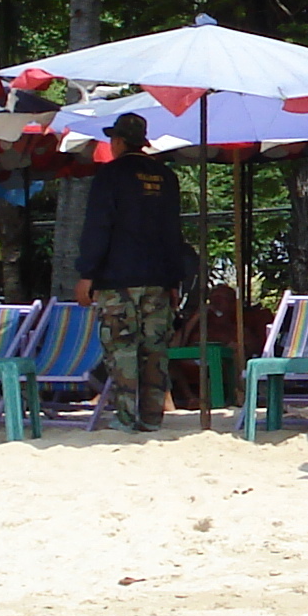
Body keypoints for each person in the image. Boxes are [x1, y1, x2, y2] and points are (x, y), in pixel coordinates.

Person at [73, 112, 193, 431]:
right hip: (158, 278)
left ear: (118, 141)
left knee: (122, 348)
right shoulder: (167, 178)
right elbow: (172, 231)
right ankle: (153, 417)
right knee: (154, 349)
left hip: (118, 279)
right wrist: (173, 279)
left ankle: (127, 417)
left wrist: (87, 273)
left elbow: (99, 227)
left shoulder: (110, 176)